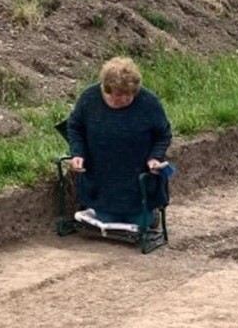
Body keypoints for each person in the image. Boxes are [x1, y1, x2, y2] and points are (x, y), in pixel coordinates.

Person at [64, 56, 173, 224]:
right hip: (102, 181)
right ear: (106, 89)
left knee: (141, 222)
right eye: (117, 96)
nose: (123, 100)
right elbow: (75, 127)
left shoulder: (149, 102)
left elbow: (163, 134)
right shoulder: (89, 99)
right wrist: (78, 153)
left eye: (129, 96)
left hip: (137, 183)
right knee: (107, 219)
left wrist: (155, 157)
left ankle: (151, 215)